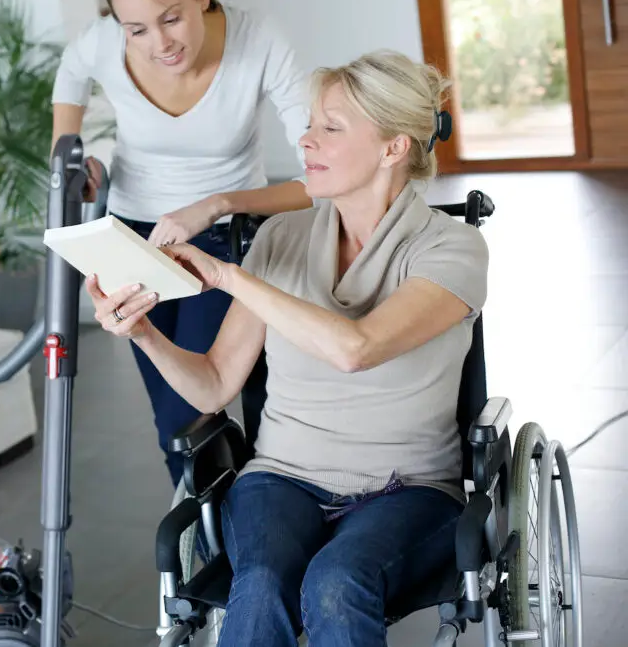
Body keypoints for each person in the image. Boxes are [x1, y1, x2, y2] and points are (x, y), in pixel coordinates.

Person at [85, 49, 489, 647]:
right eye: (309, 124)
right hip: (280, 478)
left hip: (408, 487)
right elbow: (214, 385)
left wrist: (228, 276)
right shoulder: (280, 238)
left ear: (393, 148)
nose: (305, 140)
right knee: (260, 582)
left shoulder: (452, 249)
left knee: (336, 582)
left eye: (331, 127)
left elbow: (356, 348)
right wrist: (142, 331)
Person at [51, 0, 313, 487]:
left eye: (171, 19)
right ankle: (202, 531)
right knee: (173, 423)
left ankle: (255, 508)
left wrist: (217, 203)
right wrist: (69, 158)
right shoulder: (102, 42)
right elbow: (71, 73)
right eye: (136, 30)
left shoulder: (258, 40)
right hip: (131, 236)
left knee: (198, 407)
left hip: (224, 239)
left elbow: (320, 179)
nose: (160, 44)